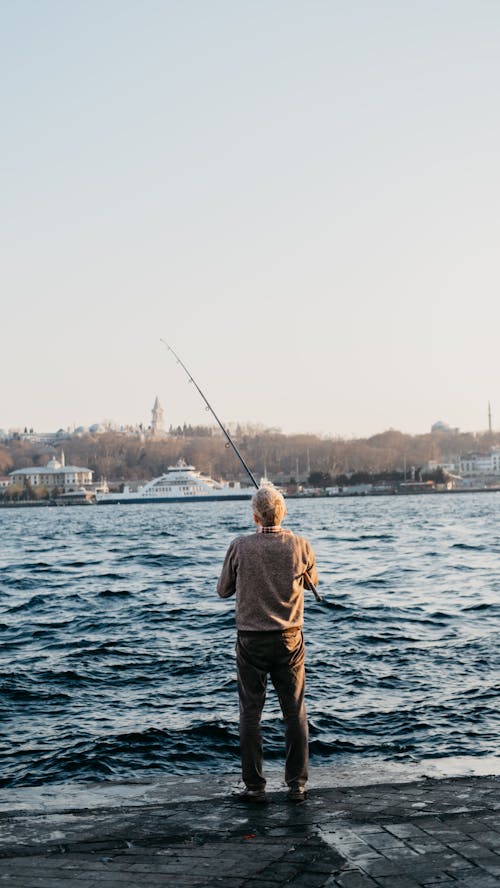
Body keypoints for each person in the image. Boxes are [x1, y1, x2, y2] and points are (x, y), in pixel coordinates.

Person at [217, 485, 318, 803]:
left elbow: (223, 590)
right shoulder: (300, 545)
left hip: (250, 641)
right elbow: (313, 583)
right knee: (294, 712)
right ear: (283, 512)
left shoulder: (240, 546)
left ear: (255, 516)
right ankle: (297, 785)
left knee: (250, 714)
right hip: (289, 639)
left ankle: (255, 786)